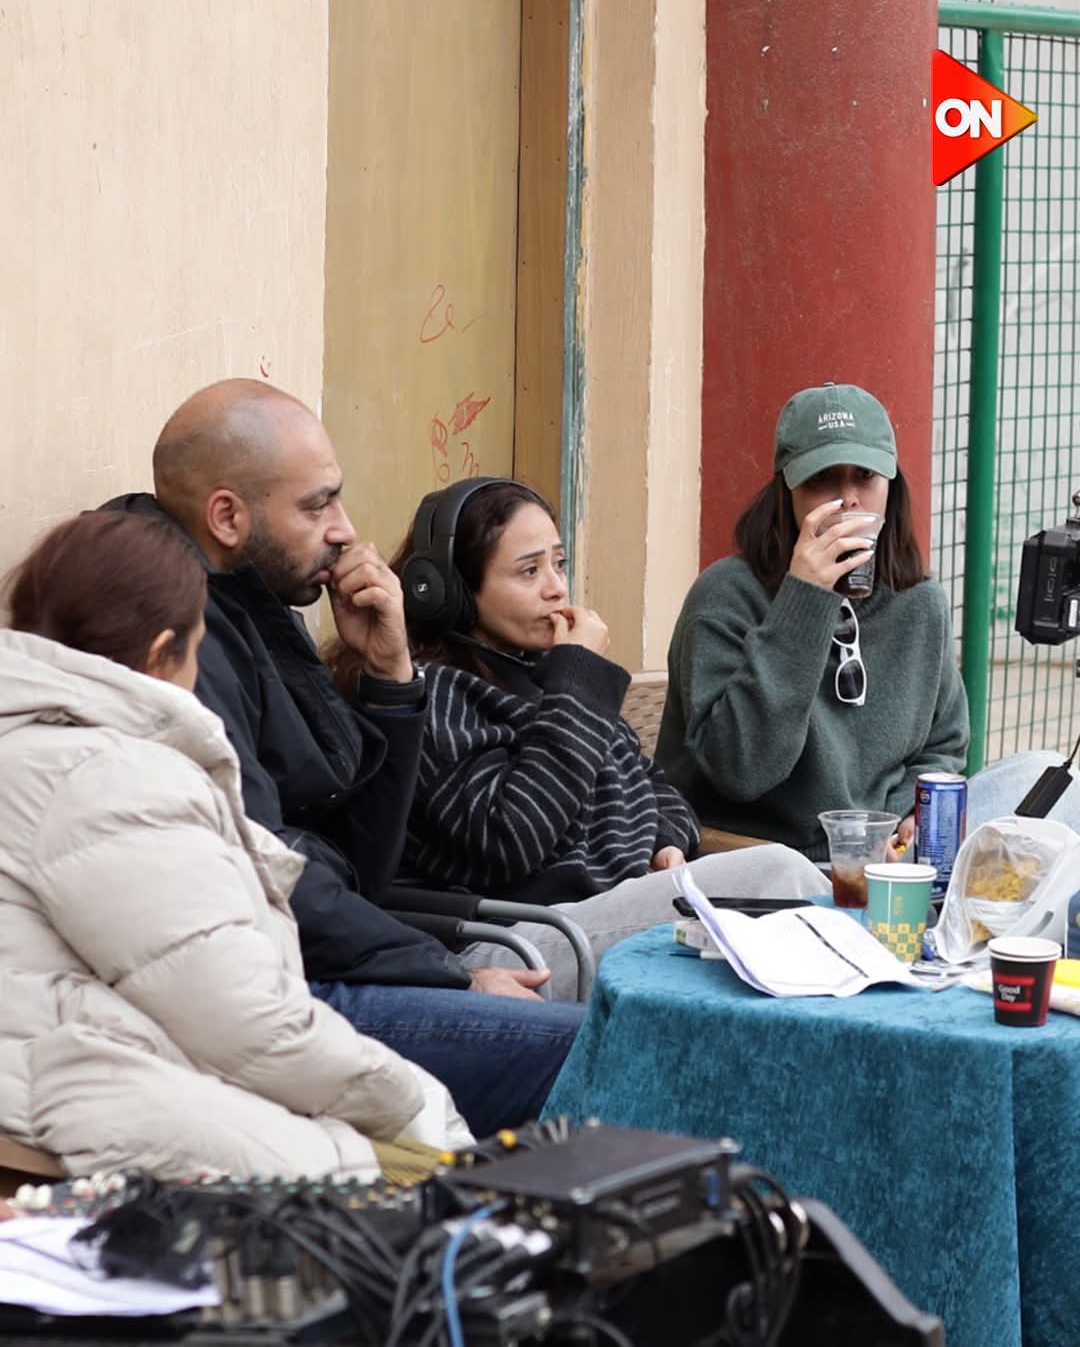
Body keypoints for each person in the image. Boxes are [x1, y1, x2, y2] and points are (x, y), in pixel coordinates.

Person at [102, 380, 584, 1137]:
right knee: (604, 1052)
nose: (345, 530)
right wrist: (450, 974)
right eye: (316, 505)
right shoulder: (171, 633)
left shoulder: (253, 603)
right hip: (263, 1006)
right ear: (227, 516)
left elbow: (360, 861)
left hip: (317, 963)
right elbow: (266, 872)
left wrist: (391, 678)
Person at [0, 512, 471, 1180]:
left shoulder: (46, 747)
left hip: (94, 1088)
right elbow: (248, 1023)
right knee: (450, 1180)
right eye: (199, 649)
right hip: (107, 1112)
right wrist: (415, 1101)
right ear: (163, 651)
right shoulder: (113, 778)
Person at [324, 478, 830, 1000]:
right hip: (514, 940)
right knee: (783, 877)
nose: (555, 588)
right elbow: (511, 838)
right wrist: (581, 676)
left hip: (612, 910)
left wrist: (666, 839)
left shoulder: (546, 676)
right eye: (529, 571)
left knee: (805, 902)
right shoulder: (437, 694)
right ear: (453, 593)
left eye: (559, 564)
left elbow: (659, 791)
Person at [656, 381, 1080, 863]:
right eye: (822, 479)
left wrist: (913, 810)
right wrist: (804, 602)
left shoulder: (919, 603)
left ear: (891, 487)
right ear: (787, 491)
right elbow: (741, 770)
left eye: (865, 477)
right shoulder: (725, 596)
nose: (848, 500)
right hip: (773, 860)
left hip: (890, 853)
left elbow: (944, 744)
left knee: (1055, 780)